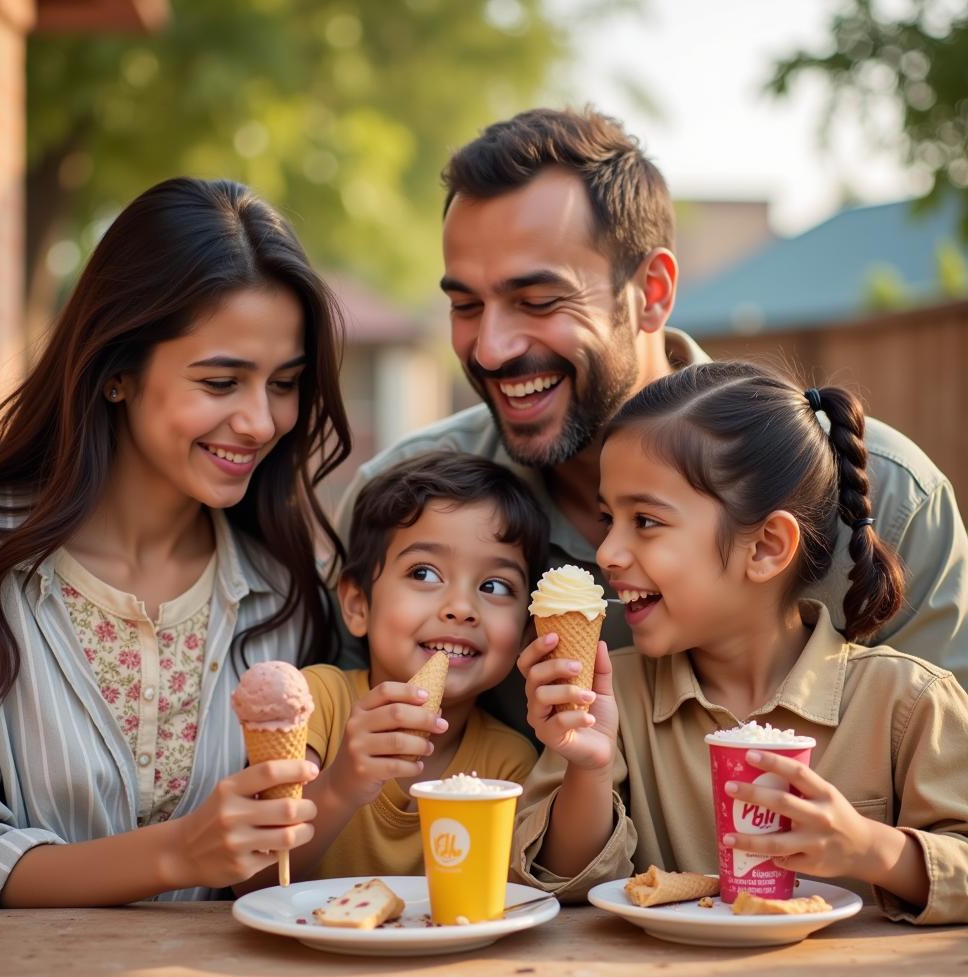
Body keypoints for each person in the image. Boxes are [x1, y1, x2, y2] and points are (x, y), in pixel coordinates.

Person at [333, 107, 968, 737]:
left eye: (538, 301)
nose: (491, 348)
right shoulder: (401, 503)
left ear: (653, 291)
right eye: (465, 305)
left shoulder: (892, 499)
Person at [0, 177, 351, 917]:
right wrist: (176, 852)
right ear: (119, 372)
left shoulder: (289, 594)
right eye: (222, 380)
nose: (260, 422)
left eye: (284, 384)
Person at [513, 362, 968, 926]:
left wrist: (870, 848)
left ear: (766, 548)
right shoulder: (611, 698)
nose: (606, 552)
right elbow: (566, 883)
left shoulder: (908, 702)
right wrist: (589, 765)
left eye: (646, 521)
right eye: (609, 519)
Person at [291, 452, 543, 881]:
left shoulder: (509, 764)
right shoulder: (317, 703)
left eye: (494, 586)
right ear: (357, 605)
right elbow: (253, 875)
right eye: (424, 574)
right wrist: (341, 784)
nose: (462, 608)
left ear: (524, 634)